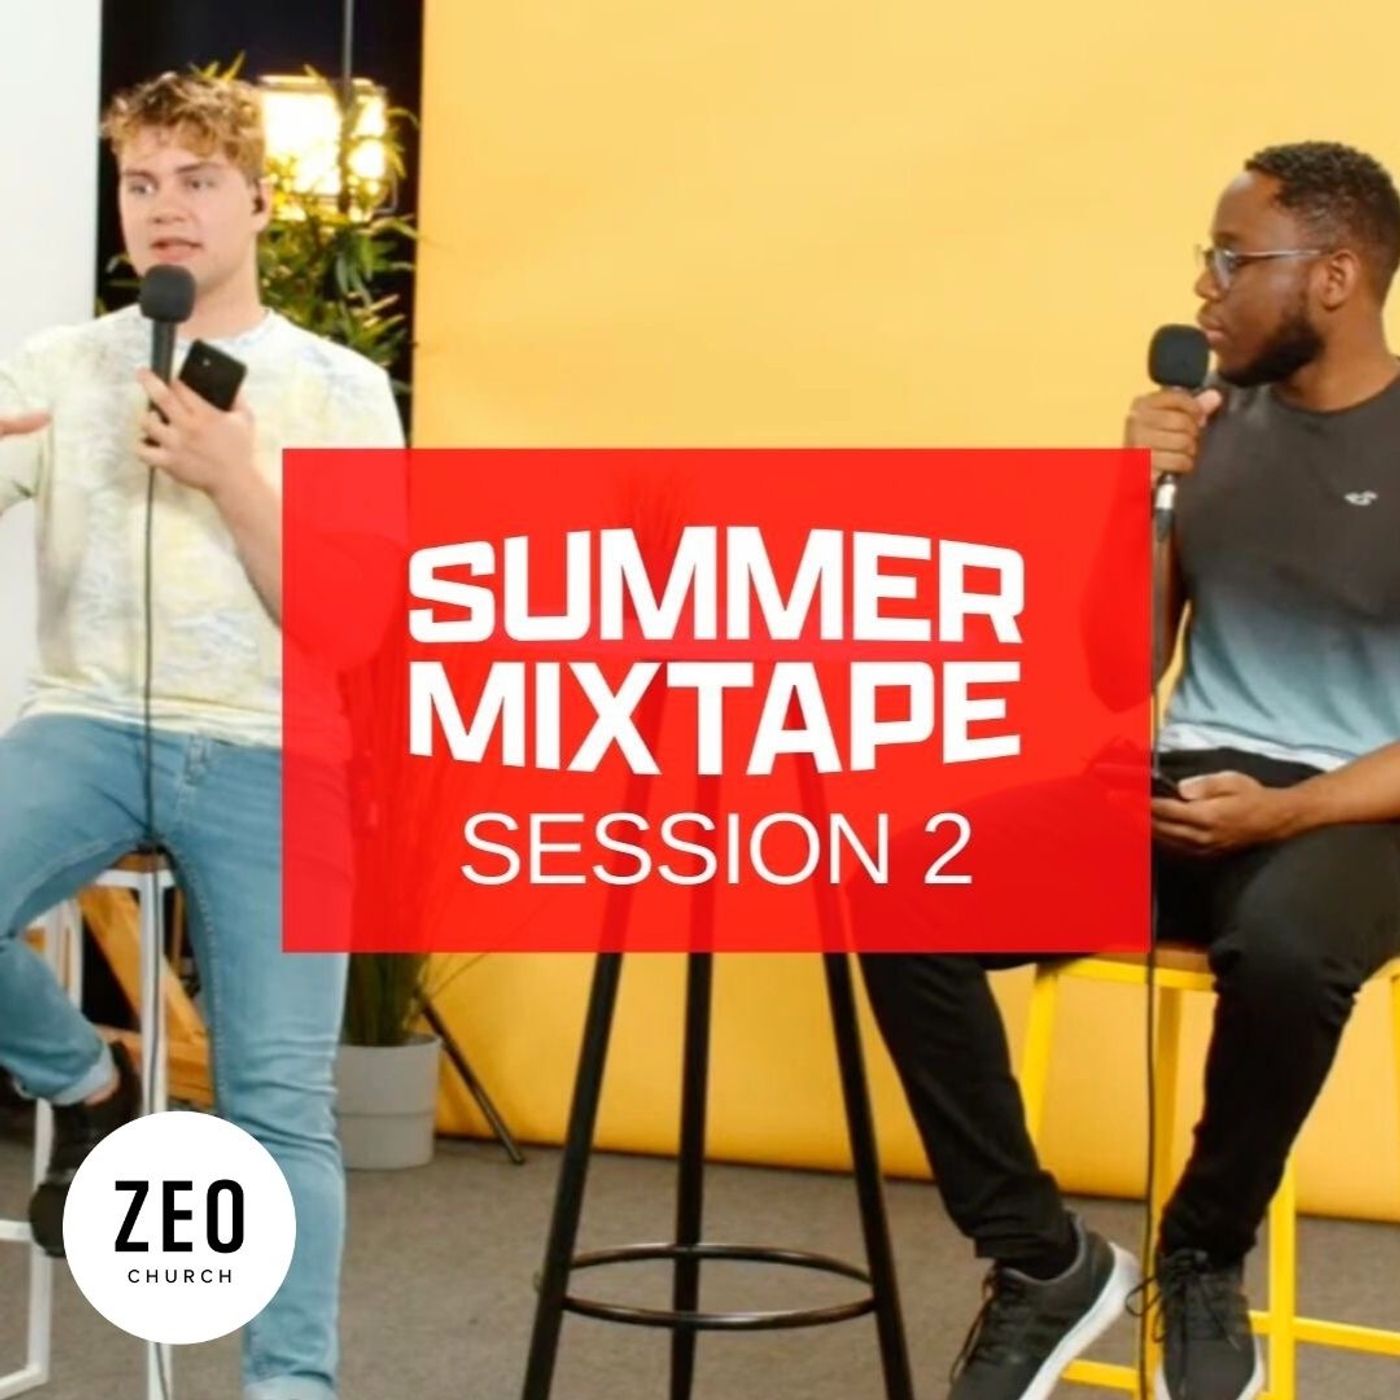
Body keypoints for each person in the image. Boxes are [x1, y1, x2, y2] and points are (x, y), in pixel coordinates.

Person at [852, 140, 1400, 1400]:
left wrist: (1288, 808)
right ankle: (1039, 1258)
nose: (1202, 287)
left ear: (1331, 276)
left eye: (1231, 258)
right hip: (1179, 788)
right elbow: (1114, 670)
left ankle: (1201, 1250)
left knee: (1284, 948)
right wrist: (1132, 494)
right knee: (900, 881)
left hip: (1355, 807)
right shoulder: (1205, 431)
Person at [0, 71, 403, 1400]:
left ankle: (294, 1388)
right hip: (86, 718)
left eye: (197, 180)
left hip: (276, 747)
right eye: (140, 183)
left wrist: (235, 474)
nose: (164, 207)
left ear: (258, 202)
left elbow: (349, 628)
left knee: (280, 1099)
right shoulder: (59, 366)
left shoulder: (340, 389)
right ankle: (86, 1082)